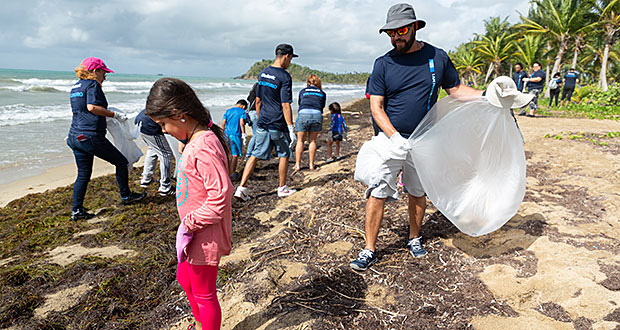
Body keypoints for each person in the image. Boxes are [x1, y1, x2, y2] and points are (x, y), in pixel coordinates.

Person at [349, 3, 483, 271]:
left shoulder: (437, 57)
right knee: (377, 191)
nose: (396, 37)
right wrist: (394, 136)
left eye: (401, 30)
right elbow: (376, 107)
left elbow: (455, 90)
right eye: (391, 33)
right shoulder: (383, 64)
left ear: (414, 27)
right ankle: (369, 249)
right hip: (389, 141)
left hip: (424, 139)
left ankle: (413, 238)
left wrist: (489, 96)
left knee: (417, 191)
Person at [145, 77, 232, 330]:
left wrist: (190, 223)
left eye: (163, 124)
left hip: (203, 233)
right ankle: (198, 322)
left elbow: (221, 195)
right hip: (191, 231)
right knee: (185, 279)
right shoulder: (194, 142)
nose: (163, 131)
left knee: (205, 294)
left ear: (179, 114)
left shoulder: (203, 146)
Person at [66, 57, 146, 220]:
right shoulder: (93, 84)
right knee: (121, 162)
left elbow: (83, 110)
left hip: (74, 136)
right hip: (90, 137)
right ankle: (126, 196)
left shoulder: (75, 87)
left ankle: (77, 210)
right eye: (104, 72)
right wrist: (114, 115)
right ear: (95, 71)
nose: (105, 76)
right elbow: (92, 108)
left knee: (83, 174)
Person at [234, 44, 299, 201]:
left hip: (263, 121)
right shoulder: (284, 77)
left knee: (255, 154)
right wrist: (291, 128)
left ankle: (241, 188)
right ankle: (282, 188)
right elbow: (285, 104)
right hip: (277, 122)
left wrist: (260, 117)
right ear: (286, 56)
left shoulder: (263, 74)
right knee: (284, 153)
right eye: (290, 59)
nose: (290, 63)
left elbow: (258, 100)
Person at [135, 109, 175, 196]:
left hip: (140, 121)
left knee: (152, 149)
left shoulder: (166, 98)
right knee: (166, 155)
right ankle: (165, 187)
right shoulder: (176, 102)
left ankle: (146, 179)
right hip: (149, 125)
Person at [294, 74, 326, 171]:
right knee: (312, 141)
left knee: (300, 141)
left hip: (304, 114)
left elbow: (300, 104)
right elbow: (322, 106)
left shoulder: (303, 91)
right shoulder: (322, 93)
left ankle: (298, 164)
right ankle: (311, 164)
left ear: (308, 82)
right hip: (316, 114)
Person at [222, 100, 248, 178]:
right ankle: (232, 172)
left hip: (226, 134)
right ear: (243, 106)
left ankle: (226, 171)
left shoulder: (228, 111)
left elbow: (223, 123)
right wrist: (243, 134)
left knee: (228, 153)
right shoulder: (242, 112)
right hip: (235, 135)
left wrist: (221, 133)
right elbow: (241, 123)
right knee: (234, 155)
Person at [245, 82, 258, 159]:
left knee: (255, 134)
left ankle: (251, 153)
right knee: (256, 135)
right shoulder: (259, 94)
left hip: (250, 113)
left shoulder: (251, 94)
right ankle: (249, 154)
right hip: (256, 113)